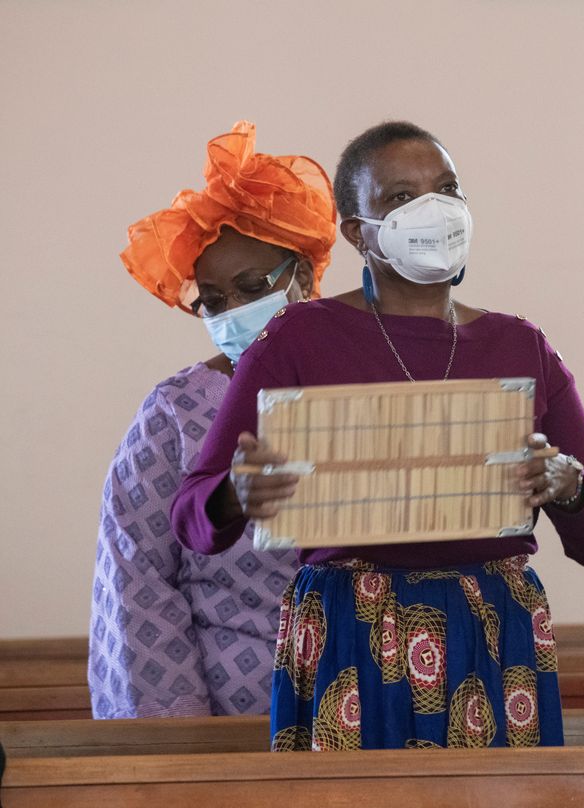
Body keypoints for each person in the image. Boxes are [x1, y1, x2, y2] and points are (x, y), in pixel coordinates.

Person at [170, 120, 584, 750]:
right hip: (349, 634)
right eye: (399, 198)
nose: (433, 210)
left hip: (493, 635)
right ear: (358, 232)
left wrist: (568, 485)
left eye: (447, 188)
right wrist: (236, 493)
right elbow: (192, 516)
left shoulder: (519, 345)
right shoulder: (298, 339)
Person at [89, 122, 336, 718]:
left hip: (375, 707)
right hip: (231, 722)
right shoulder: (174, 413)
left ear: (301, 279)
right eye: (214, 301)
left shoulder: (370, 385)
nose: (233, 313)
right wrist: (181, 744)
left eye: (252, 287)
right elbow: (136, 587)